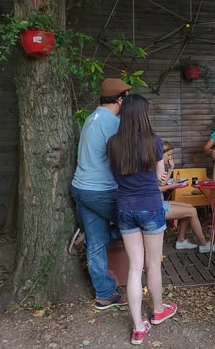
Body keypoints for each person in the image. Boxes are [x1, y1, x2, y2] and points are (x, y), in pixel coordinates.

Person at [107, 94, 177, 345]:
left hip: (125, 208)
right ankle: (158, 311)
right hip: (150, 207)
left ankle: (138, 328)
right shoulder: (153, 141)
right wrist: (161, 176)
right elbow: (160, 178)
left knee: (135, 267)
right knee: (153, 263)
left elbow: (115, 177)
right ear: (143, 115)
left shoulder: (113, 143)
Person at [70, 78, 131, 310]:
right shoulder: (113, 123)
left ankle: (105, 294)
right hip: (100, 191)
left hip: (81, 188)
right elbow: (122, 161)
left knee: (97, 242)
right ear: (119, 100)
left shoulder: (91, 117)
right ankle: (84, 239)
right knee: (137, 222)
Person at [159, 141, 215, 253]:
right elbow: (156, 189)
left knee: (190, 207)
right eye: (168, 155)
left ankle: (181, 240)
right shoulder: (154, 167)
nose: (170, 157)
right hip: (156, 206)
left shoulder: (159, 166)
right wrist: (172, 186)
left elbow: (162, 184)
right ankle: (204, 244)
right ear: (160, 153)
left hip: (159, 202)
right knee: (192, 211)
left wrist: (171, 168)